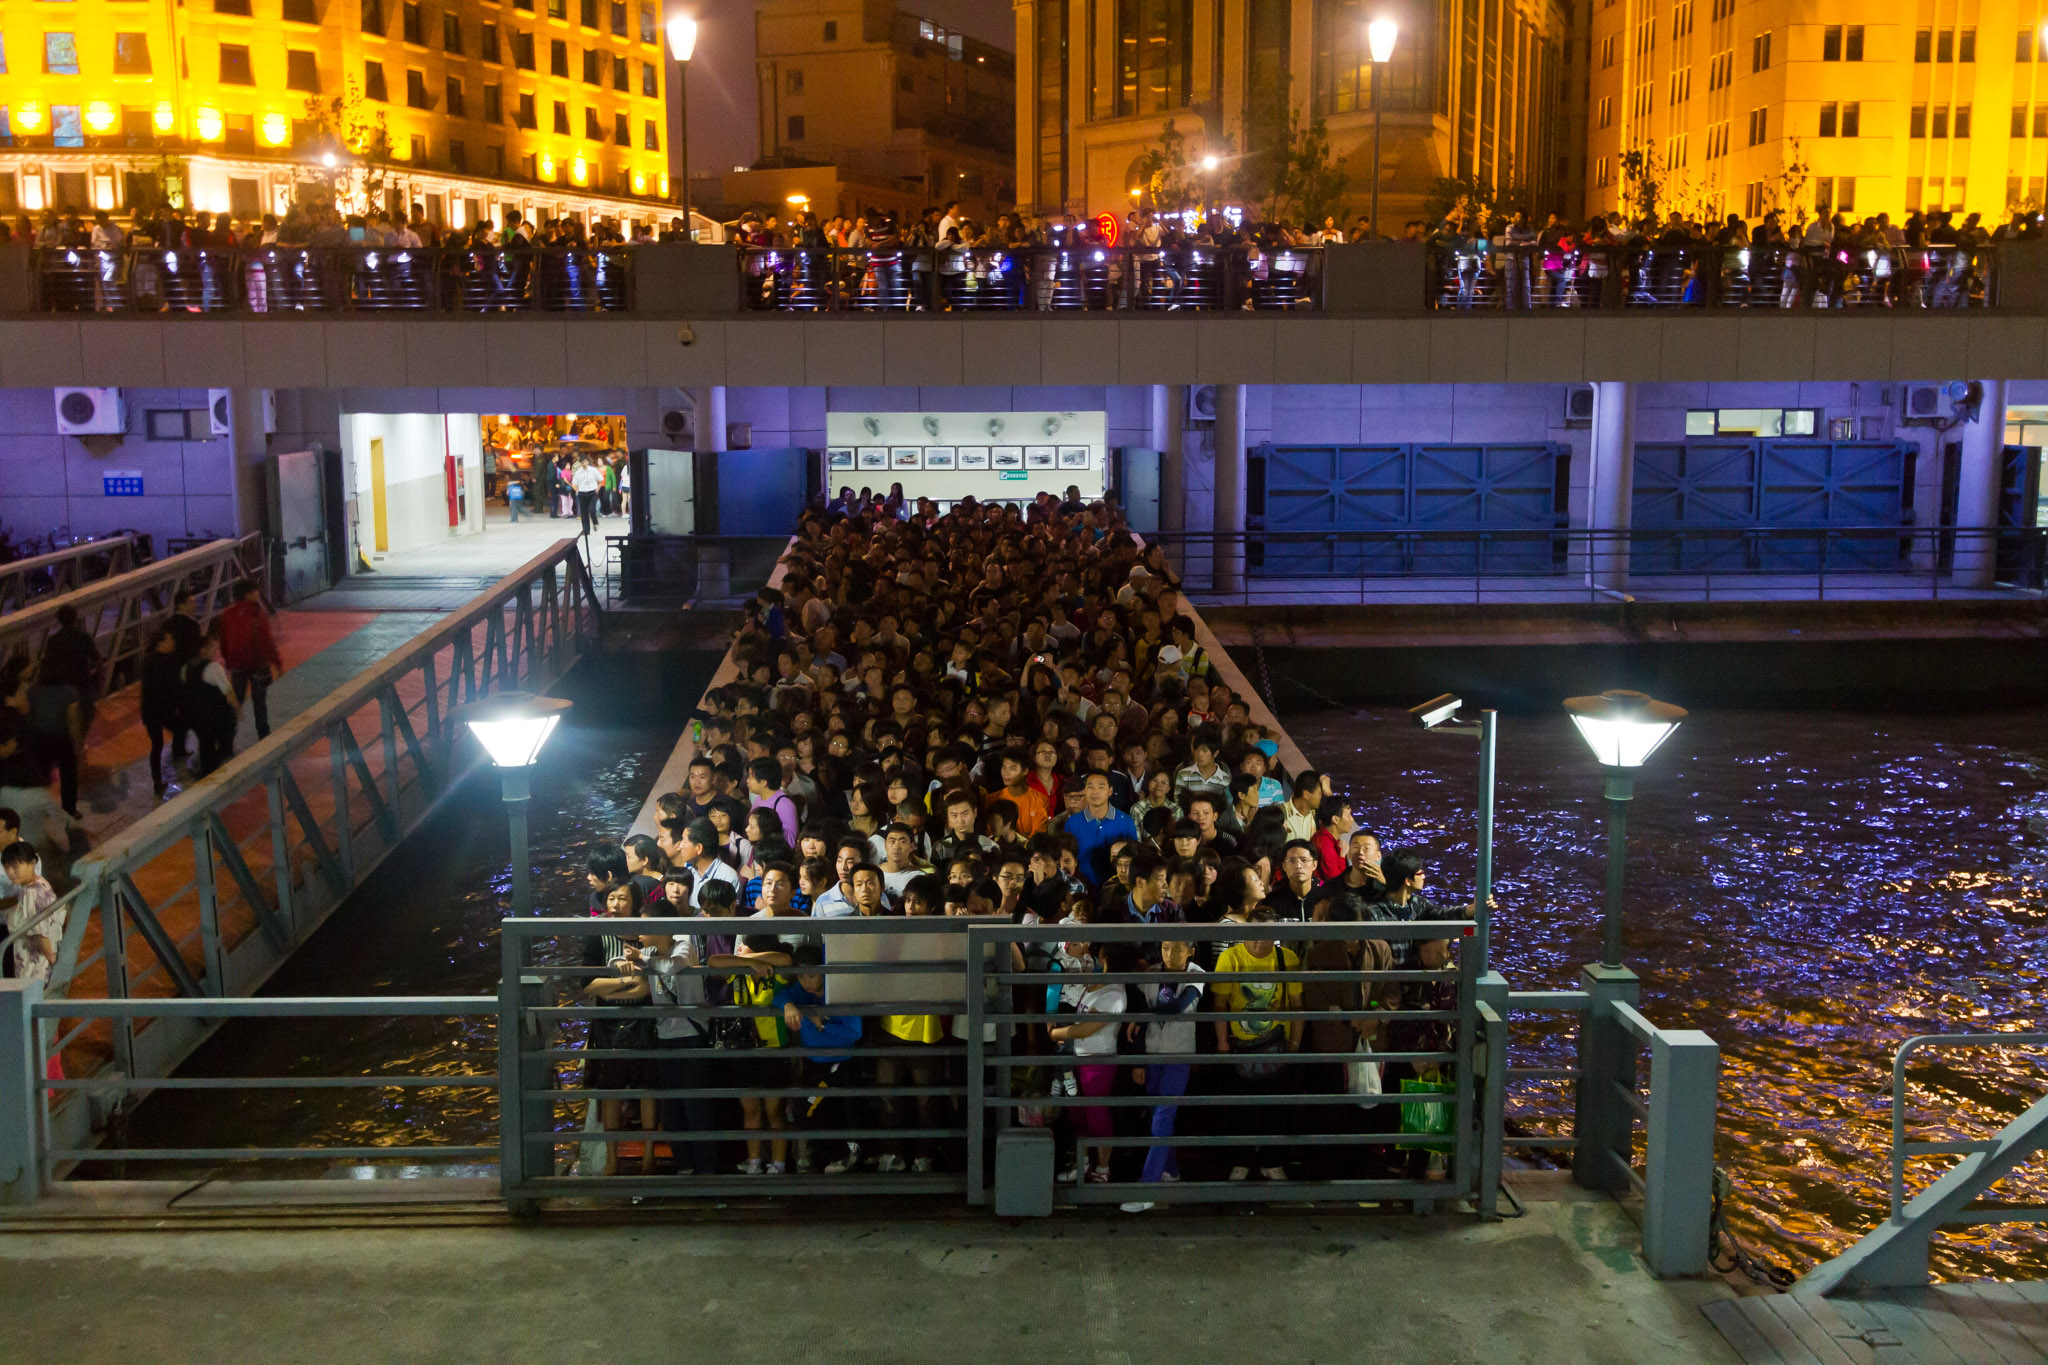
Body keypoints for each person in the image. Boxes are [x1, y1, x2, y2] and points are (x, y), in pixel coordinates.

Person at [1212, 904, 1302, 1182]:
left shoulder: (1287, 959)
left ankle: (1272, 1161)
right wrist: (1222, 1042)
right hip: (1240, 1044)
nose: (1260, 940)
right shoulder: (1230, 957)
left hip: (1277, 1044)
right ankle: (1241, 1160)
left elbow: (1297, 1004)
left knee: (1276, 1108)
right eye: (1254, 933)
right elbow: (1220, 1003)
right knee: (1241, 1109)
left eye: (1266, 934)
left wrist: (1295, 1043)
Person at [1120, 934, 1204, 1212]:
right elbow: (1141, 1012)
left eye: (1178, 948)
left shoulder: (1196, 974)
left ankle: (1149, 1186)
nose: (1171, 953)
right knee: (1156, 1114)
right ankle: (1171, 1171)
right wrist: (1138, 1059)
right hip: (1153, 1051)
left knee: (1162, 1116)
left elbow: (1178, 1007)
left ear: (1191, 951)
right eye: (1166, 947)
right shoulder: (1152, 973)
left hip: (1179, 1055)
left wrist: (1142, 1017)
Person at [1046, 937, 1130, 1185]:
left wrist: (1056, 1033)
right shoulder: (1099, 983)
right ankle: (1083, 1163)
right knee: (1078, 1113)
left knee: (1096, 1115)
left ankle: (1102, 1168)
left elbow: (1085, 1029)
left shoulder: (1114, 992)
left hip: (1098, 1060)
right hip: (1081, 1058)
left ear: (1106, 957)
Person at [217, 580, 284, 740]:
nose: (258, 593)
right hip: (257, 664)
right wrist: (277, 663)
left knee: (236, 701)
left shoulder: (227, 614)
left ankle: (227, 738)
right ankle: (263, 735)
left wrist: (229, 661)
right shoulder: (257, 613)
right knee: (259, 703)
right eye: (255, 590)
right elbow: (266, 641)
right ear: (248, 594)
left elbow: (224, 641)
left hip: (237, 664)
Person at [139, 626, 184, 798]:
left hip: (152, 711)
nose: (173, 642)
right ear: (162, 642)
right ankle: (177, 752)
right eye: (170, 639)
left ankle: (157, 780)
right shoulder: (169, 661)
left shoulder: (149, 661)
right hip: (163, 710)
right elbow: (171, 686)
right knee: (178, 729)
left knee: (156, 745)